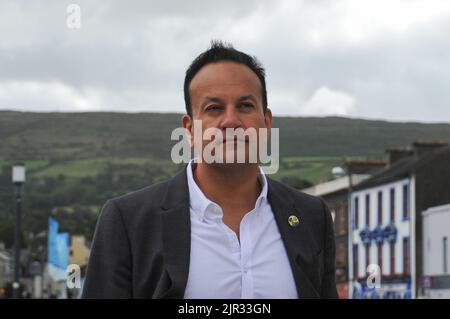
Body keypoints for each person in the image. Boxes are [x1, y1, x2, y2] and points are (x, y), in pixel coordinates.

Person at [82, 41, 338, 299]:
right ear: (190, 129)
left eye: (245, 106)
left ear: (267, 122)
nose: (230, 121)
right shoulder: (129, 221)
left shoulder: (312, 217)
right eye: (214, 108)